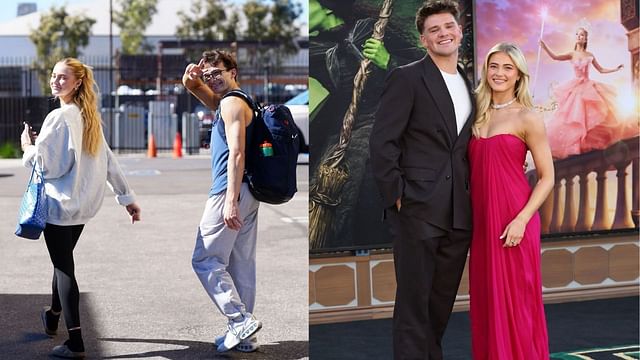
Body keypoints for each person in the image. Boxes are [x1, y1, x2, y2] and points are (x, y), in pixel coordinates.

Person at [369, 1, 475, 358]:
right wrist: (397, 196)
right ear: (423, 40)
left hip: (459, 214)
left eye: (449, 26)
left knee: (440, 305)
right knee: (414, 306)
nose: (444, 33)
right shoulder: (407, 77)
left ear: (460, 31)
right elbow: (382, 141)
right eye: (434, 30)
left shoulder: (469, 83)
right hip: (416, 208)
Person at [19, 58, 141, 358]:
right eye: (54, 76)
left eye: (63, 77)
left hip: (60, 206)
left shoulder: (60, 118)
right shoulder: (89, 116)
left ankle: (75, 342)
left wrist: (28, 148)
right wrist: (127, 198)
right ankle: (52, 317)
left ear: (77, 83)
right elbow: (109, 160)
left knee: (64, 268)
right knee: (63, 260)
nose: (55, 81)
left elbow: (49, 166)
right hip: (83, 207)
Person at [468, 42, 554, 359]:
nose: (499, 73)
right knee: (488, 300)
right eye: (494, 66)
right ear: (486, 70)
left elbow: (547, 177)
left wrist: (521, 219)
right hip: (482, 222)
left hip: (515, 220)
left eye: (508, 68)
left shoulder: (528, 117)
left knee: (519, 300)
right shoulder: (475, 115)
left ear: (519, 75)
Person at [182, 50, 262, 353]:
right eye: (208, 74)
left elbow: (237, 153)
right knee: (241, 263)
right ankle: (246, 335)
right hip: (249, 192)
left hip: (230, 191)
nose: (212, 78)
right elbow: (198, 90)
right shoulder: (237, 100)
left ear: (233, 72)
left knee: (205, 259)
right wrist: (192, 80)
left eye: (218, 72)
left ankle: (239, 319)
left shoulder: (230, 104)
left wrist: (230, 200)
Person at [540, 26, 633, 159]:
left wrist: (615, 69)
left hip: (588, 86)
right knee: (574, 117)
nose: (580, 37)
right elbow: (555, 57)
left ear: (586, 39)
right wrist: (545, 47)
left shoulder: (590, 55)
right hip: (576, 87)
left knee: (594, 116)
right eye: (578, 35)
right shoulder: (571, 54)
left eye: (582, 35)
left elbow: (601, 70)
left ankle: (590, 147)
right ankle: (575, 147)